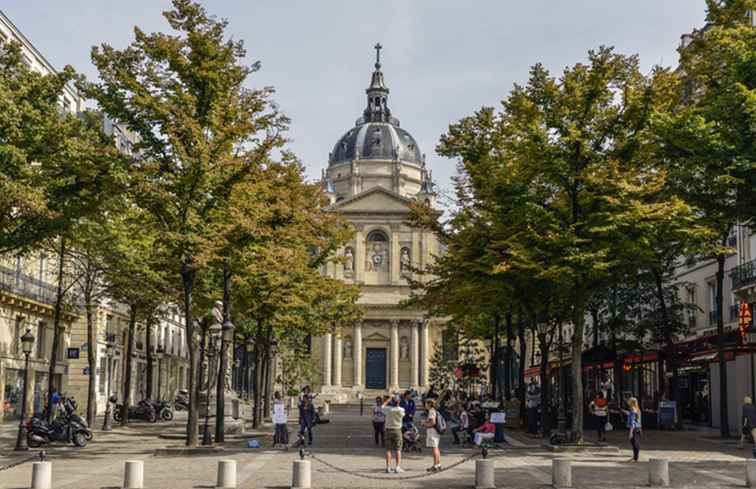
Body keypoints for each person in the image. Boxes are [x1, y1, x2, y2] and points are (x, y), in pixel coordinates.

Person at [382, 394, 405, 473]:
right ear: (398, 402)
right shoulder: (401, 410)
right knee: (398, 449)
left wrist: (386, 401)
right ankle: (397, 467)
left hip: (388, 430)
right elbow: (403, 415)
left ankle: (388, 467)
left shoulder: (388, 409)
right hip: (397, 430)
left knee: (388, 450)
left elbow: (382, 408)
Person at [423, 399, 442, 472]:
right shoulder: (434, 411)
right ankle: (438, 464)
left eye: (426, 404)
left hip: (432, 432)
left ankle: (435, 465)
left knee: (434, 448)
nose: (425, 405)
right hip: (435, 432)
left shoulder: (431, 411)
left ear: (429, 404)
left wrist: (425, 424)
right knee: (436, 448)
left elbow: (433, 422)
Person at [623, 397, 642, 462]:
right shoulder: (637, 409)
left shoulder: (633, 409)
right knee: (636, 443)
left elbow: (633, 422)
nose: (628, 402)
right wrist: (628, 413)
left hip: (634, 429)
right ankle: (635, 457)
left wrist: (630, 432)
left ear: (631, 402)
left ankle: (635, 458)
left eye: (629, 401)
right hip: (638, 428)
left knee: (635, 444)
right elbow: (635, 417)